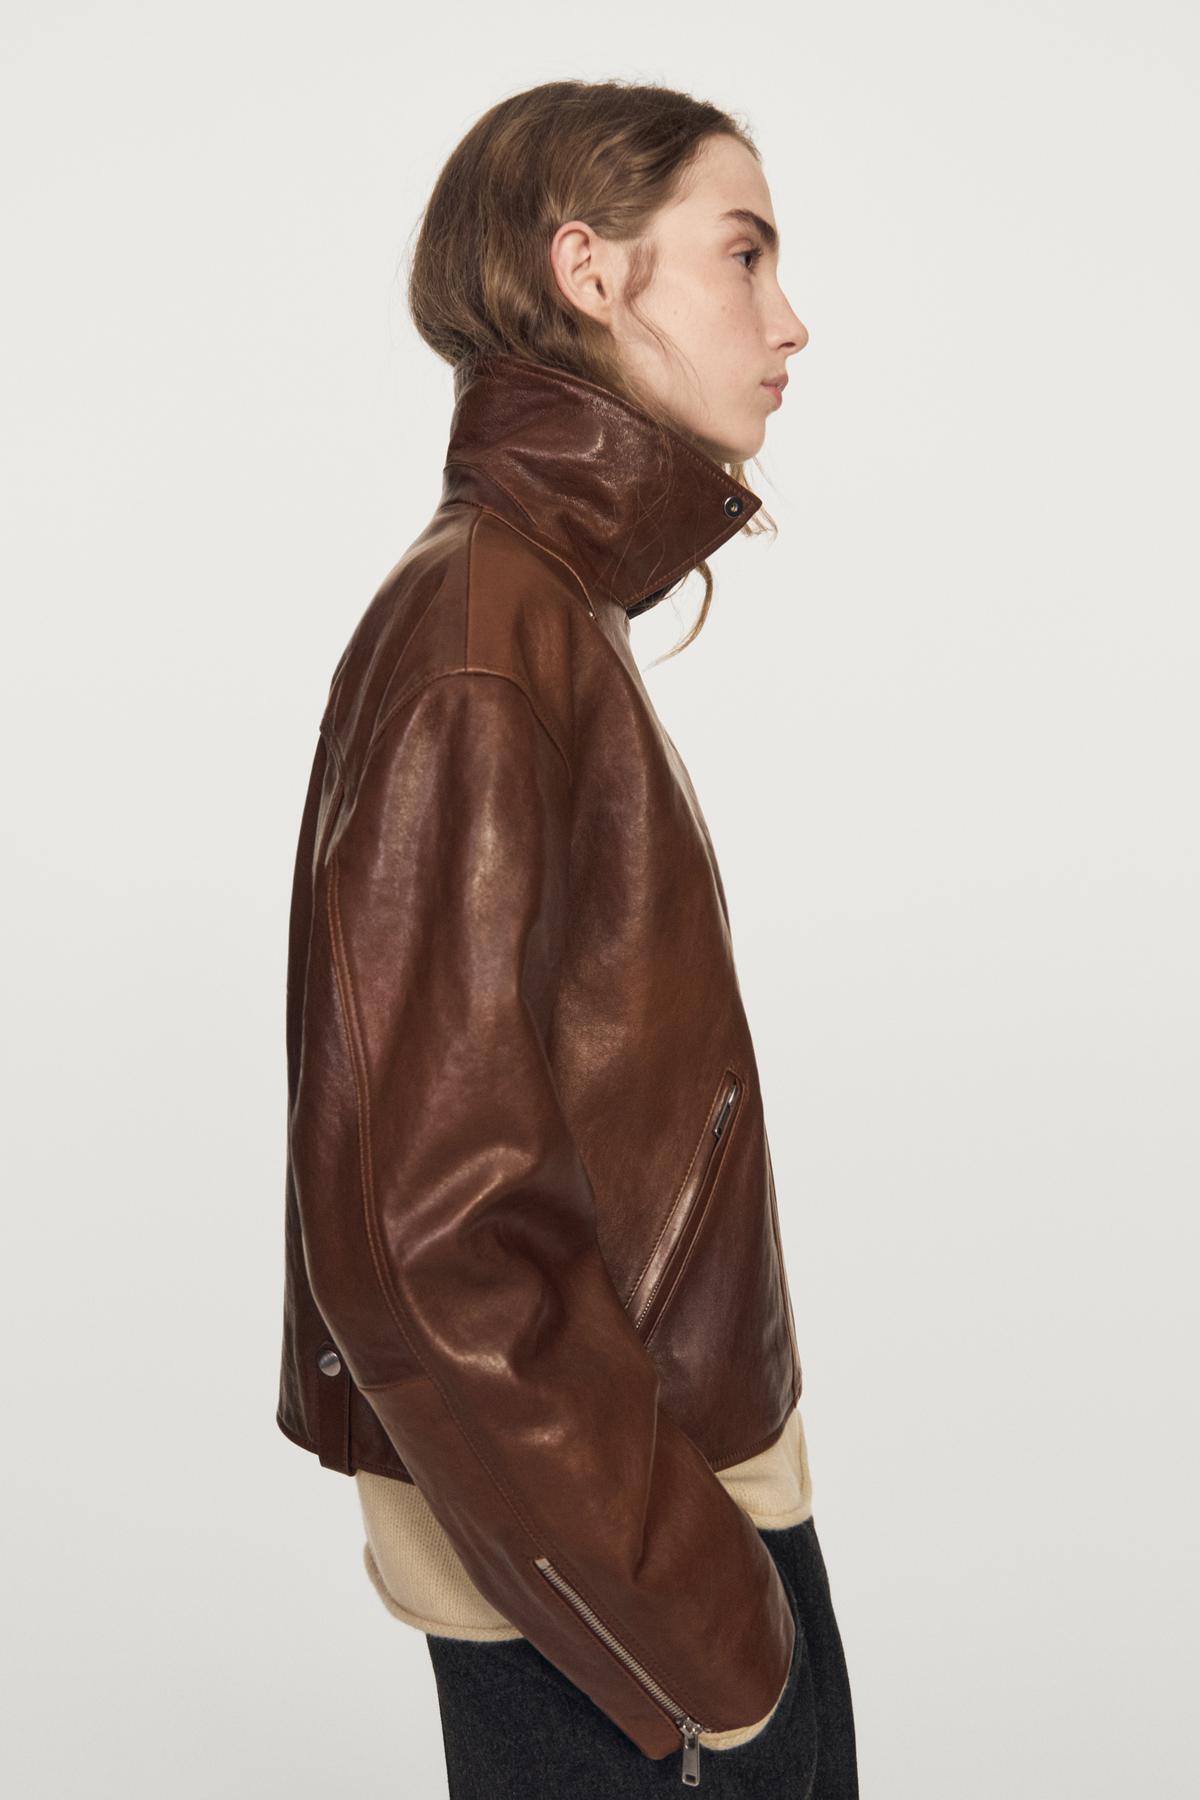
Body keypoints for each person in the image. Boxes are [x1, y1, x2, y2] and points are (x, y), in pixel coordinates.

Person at [275, 76, 859, 1796]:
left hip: (646, 1520)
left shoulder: (535, 615)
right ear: (589, 270)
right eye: (743, 255)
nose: (790, 321)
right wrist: (712, 1642)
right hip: (619, 1576)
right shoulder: (483, 639)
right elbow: (432, 1229)